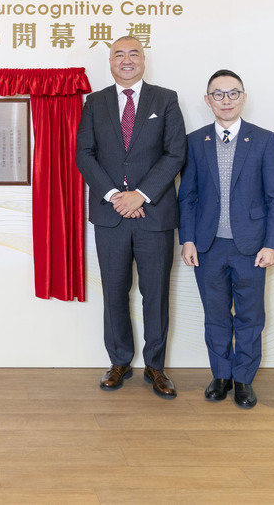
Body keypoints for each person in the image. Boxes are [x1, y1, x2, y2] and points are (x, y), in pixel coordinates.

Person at [75, 35, 187, 398]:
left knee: (155, 294)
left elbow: (175, 154)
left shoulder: (165, 99)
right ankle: (120, 361)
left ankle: (155, 366)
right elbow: (85, 154)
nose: (126, 60)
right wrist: (114, 197)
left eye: (133, 53)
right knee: (114, 292)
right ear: (110, 62)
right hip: (111, 217)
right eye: (118, 54)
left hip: (153, 215)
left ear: (144, 60)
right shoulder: (95, 102)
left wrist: (139, 195)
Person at [178, 69, 274, 409]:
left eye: (233, 93)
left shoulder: (265, 139)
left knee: (251, 316)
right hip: (208, 246)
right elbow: (188, 196)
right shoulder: (195, 141)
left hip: (252, 246)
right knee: (216, 314)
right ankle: (220, 375)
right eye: (218, 94)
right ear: (207, 100)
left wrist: (272, 244)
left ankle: (243, 379)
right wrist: (188, 239)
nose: (226, 100)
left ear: (244, 97)